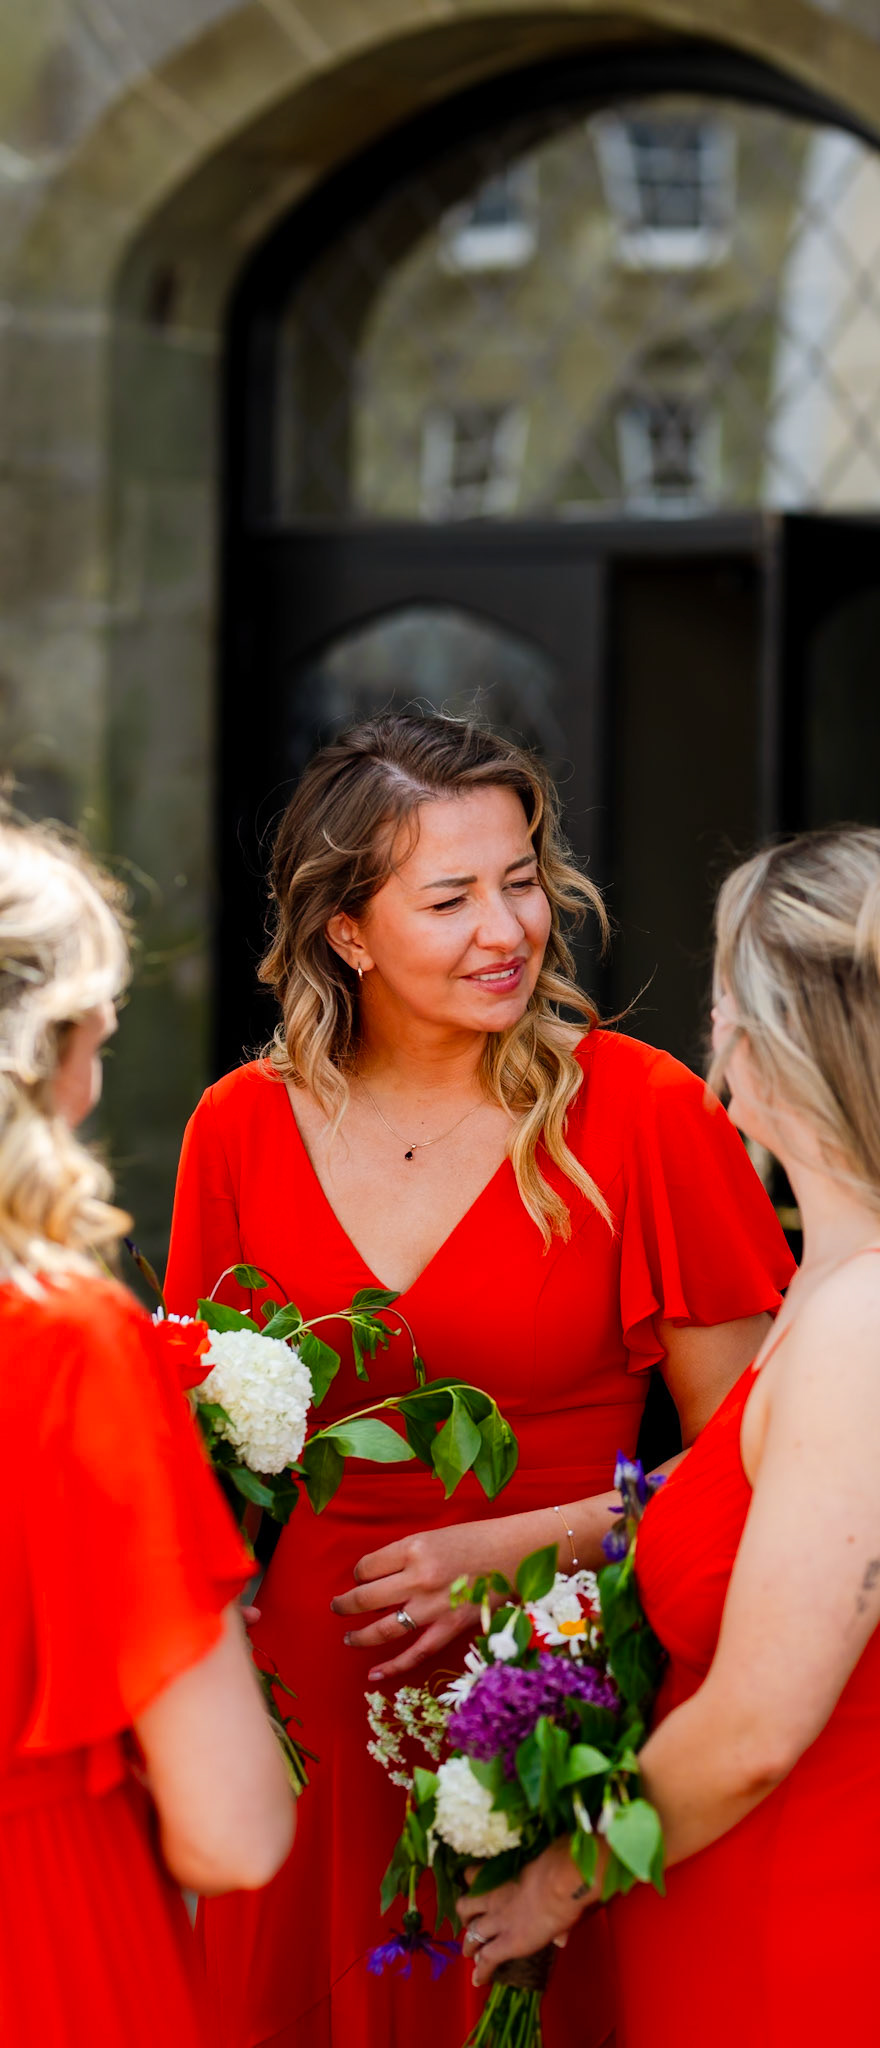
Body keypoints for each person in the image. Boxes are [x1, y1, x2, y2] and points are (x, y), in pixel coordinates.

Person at [165, 712, 794, 2048]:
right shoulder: (237, 1126)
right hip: (309, 1729)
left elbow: (768, 1467)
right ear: (348, 930)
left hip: (553, 1710)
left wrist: (526, 1545)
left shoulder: (644, 1114)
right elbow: (193, 1464)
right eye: (450, 897)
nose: (506, 928)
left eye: (521, 879)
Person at [455, 827, 880, 2046]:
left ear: (770, 1036)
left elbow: (756, 1727)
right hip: (787, 1929)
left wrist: (553, 1884)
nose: (713, 1028)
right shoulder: (873, 1288)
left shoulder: (877, 1320)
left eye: (723, 996)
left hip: (801, 1959)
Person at [0, 820, 295, 2048]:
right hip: (49, 1943)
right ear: (50, 1050)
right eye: (99, 1027)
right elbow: (234, 1830)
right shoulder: (66, 1341)